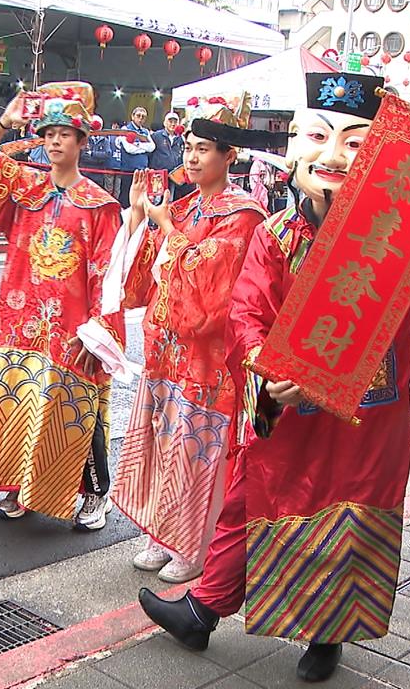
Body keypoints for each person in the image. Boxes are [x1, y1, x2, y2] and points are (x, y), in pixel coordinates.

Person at [138, 72, 410, 683]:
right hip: (279, 398)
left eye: (357, 143)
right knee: (247, 495)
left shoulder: (401, 236)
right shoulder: (274, 235)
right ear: (293, 147)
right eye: (317, 135)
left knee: (350, 513)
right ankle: (204, 611)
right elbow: (247, 311)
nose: (331, 154)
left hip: (369, 407)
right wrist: (262, 364)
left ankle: (329, 634)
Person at [111, 95, 285, 584]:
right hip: (167, 352)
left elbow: (216, 290)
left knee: (197, 445)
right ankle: (161, 530)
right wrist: (140, 219)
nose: (191, 157)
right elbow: (144, 278)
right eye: (188, 147)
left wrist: (167, 228)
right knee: (166, 439)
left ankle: (194, 542)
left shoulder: (243, 215)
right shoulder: (185, 207)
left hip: (207, 357)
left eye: (204, 148)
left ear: (230, 156)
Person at [0, 82, 125, 532]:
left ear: (82, 142)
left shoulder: (101, 206)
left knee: (75, 408)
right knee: (16, 401)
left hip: (71, 326)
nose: (54, 142)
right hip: (19, 317)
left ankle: (95, 494)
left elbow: (109, 275)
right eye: (47, 134)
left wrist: (101, 331)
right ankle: (19, 486)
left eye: (64, 134)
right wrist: (7, 120)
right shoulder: (26, 188)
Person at [116, 106, 155, 206]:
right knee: (126, 197)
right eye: (138, 116)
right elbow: (129, 149)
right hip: (129, 170)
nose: (141, 118)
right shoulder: (125, 129)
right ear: (132, 116)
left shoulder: (145, 131)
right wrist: (144, 147)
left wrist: (138, 145)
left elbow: (152, 147)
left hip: (143, 170)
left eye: (143, 116)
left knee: (140, 198)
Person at [148, 111, 184, 196]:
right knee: (156, 197)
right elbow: (149, 152)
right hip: (158, 173)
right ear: (164, 123)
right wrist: (149, 167)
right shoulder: (156, 136)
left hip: (173, 175)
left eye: (175, 122)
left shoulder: (180, 138)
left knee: (169, 198)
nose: (173, 124)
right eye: (170, 121)